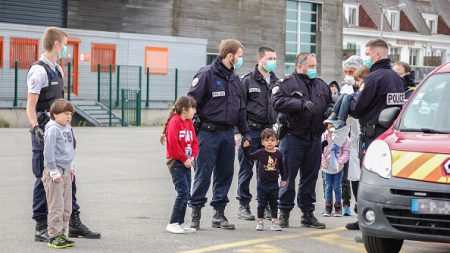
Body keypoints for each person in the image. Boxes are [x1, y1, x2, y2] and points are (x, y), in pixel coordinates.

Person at [26, 27, 100, 241]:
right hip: (45, 130)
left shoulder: (58, 69)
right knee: (44, 177)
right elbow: (30, 107)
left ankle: (73, 221)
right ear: (57, 45)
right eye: (65, 45)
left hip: (62, 131)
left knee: (69, 175)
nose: (66, 49)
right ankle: (41, 225)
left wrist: (69, 129)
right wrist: (35, 128)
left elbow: (60, 105)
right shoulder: (39, 71)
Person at [187, 39, 250, 230]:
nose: (241, 60)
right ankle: (196, 212)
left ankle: (219, 214)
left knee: (225, 174)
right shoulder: (206, 74)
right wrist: (188, 131)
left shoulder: (236, 80)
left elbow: (241, 110)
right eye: (239, 56)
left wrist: (245, 133)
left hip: (227, 134)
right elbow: (191, 103)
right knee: (203, 173)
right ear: (230, 56)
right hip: (207, 133)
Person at [272, 52, 333, 229]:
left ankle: (307, 214)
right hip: (293, 138)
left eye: (315, 66)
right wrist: (300, 104)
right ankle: (284, 212)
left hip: (314, 138)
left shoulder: (321, 85)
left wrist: (330, 109)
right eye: (311, 66)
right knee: (288, 177)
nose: (314, 69)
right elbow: (276, 102)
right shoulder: (287, 83)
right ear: (300, 66)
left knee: (310, 178)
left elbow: (330, 102)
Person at [347, 39, 404, 231]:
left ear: (378, 55)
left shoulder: (372, 79)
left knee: (369, 179)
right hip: (391, 137)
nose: (366, 58)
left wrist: (352, 97)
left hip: (372, 137)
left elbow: (356, 109)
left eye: (368, 54)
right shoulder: (397, 78)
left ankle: (366, 218)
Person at [236, 46, 279, 221]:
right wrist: (240, 133)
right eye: (269, 58)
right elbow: (239, 108)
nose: (272, 62)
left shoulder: (277, 82)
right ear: (259, 59)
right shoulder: (247, 81)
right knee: (246, 169)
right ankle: (243, 205)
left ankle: (266, 205)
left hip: (269, 131)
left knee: (268, 170)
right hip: (251, 130)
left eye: (274, 58)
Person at [42, 99, 76, 248]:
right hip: (55, 172)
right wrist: (54, 172)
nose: (68, 117)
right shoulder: (53, 129)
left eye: (70, 114)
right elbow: (48, 152)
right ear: (55, 114)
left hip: (67, 171)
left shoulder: (67, 127)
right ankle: (54, 236)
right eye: (65, 113)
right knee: (56, 207)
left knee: (67, 207)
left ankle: (63, 234)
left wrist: (71, 166)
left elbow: (70, 148)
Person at [162, 96, 198, 234]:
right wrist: (184, 159)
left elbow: (194, 141)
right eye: (193, 108)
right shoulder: (174, 122)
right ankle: (173, 223)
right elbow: (173, 145)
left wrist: (192, 156)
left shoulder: (189, 122)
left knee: (187, 193)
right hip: (176, 162)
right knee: (182, 193)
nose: (195, 111)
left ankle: (180, 223)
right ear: (184, 109)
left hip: (187, 162)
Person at [242, 128, 287, 231]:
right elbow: (249, 157)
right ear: (262, 142)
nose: (269, 142)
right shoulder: (260, 152)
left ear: (277, 141)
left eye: (272, 140)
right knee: (261, 204)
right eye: (266, 140)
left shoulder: (278, 154)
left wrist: (284, 178)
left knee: (274, 204)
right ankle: (260, 222)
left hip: (274, 184)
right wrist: (245, 148)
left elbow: (282, 167)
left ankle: (275, 222)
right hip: (262, 184)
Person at [324, 66, 369, 131]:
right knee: (344, 95)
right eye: (345, 72)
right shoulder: (356, 86)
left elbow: (359, 97)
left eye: (358, 80)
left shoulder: (364, 85)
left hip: (357, 109)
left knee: (347, 97)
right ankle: (334, 114)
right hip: (355, 106)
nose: (356, 83)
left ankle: (341, 120)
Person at [321, 125, 350, 217]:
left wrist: (341, 162)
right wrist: (323, 161)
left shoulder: (343, 137)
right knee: (328, 186)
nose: (332, 126)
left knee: (337, 187)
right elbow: (319, 150)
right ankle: (328, 206)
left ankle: (338, 206)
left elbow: (346, 151)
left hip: (338, 167)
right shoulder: (323, 136)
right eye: (330, 124)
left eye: (334, 124)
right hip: (327, 167)